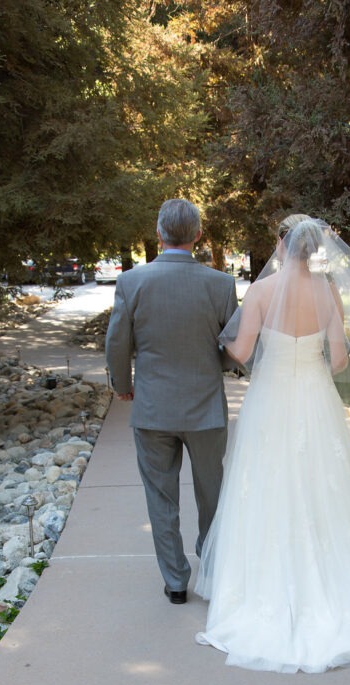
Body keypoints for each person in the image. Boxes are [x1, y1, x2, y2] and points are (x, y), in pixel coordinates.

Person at [194, 214, 350, 672]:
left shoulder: (263, 291)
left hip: (271, 398)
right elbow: (339, 357)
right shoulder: (329, 291)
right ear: (312, 249)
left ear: (281, 245)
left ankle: (262, 586)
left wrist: (220, 346)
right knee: (327, 485)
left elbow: (244, 352)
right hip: (314, 397)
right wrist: (309, 364)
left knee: (266, 483)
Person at [105, 198, 238, 604]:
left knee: (161, 497)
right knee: (212, 492)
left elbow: (117, 343)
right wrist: (215, 363)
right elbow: (233, 348)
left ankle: (176, 581)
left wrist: (122, 384)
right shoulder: (220, 284)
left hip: (152, 408)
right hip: (205, 408)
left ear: (159, 233)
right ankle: (211, 568)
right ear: (198, 235)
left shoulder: (132, 282)